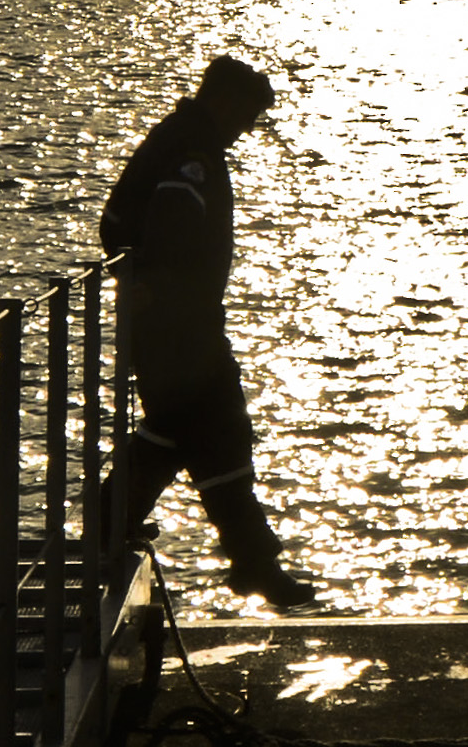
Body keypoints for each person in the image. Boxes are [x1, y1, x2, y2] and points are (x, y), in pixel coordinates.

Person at [96, 53, 324, 612]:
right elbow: (170, 228)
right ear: (223, 102)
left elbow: (122, 227)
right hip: (181, 330)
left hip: (172, 327)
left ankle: (112, 524)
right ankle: (253, 562)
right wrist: (167, 294)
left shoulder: (180, 141)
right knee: (219, 432)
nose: (246, 130)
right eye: (246, 116)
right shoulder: (192, 157)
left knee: (178, 434)